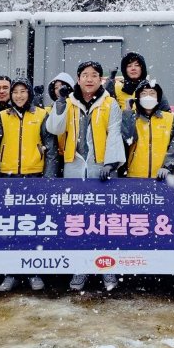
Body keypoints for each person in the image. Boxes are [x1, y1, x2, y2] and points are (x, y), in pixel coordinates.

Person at [46, 61, 124, 292]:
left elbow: (115, 133)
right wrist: (59, 104)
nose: (89, 79)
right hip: (75, 166)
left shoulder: (109, 104)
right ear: (78, 79)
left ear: (100, 79)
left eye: (94, 75)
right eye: (85, 75)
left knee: (106, 221)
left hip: (101, 167)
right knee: (78, 221)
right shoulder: (68, 102)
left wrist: (110, 164)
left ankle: (108, 268)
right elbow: (55, 129)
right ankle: (80, 268)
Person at [0, 78, 58, 293]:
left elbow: (50, 149)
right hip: (8, 177)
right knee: (10, 227)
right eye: (16, 92)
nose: (19, 96)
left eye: (23, 91)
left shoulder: (41, 114)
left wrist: (48, 180)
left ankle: (34, 271)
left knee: (32, 226)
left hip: (34, 177)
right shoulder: (2, 116)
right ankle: (10, 272)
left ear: (29, 94)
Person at [122, 80, 174, 180]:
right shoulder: (132, 117)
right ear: (138, 98)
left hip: (162, 177)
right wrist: (128, 111)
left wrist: (167, 166)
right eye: (144, 94)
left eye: (152, 93)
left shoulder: (169, 119)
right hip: (134, 176)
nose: (148, 97)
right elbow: (127, 139)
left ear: (158, 98)